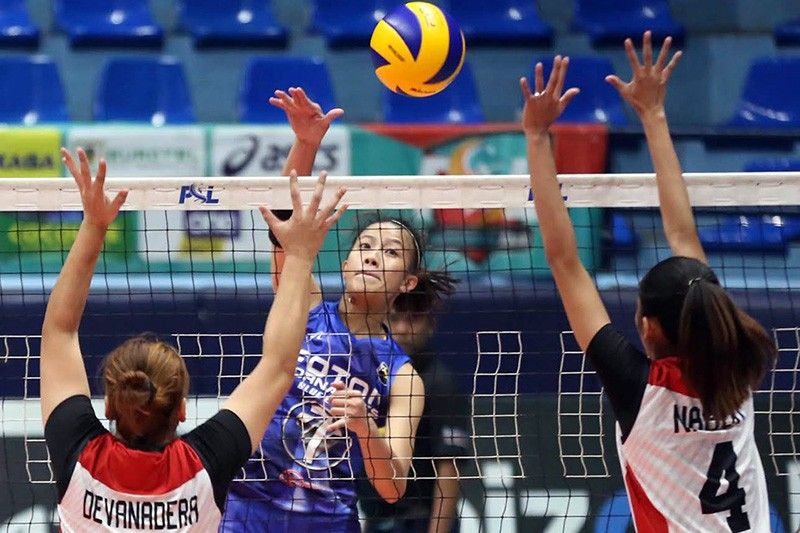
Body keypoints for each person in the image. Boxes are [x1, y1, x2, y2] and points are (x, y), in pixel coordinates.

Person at [521, 32, 776, 532]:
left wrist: (534, 137)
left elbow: (565, 260)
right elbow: (677, 238)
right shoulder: (737, 369)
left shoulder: (644, 392)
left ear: (648, 326)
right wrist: (655, 116)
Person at [41, 147, 347, 531]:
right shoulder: (204, 463)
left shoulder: (78, 452)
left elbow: (59, 329)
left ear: (112, 405)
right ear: (182, 409)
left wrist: (93, 226)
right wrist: (300, 256)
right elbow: (279, 366)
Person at [222, 87, 458, 532]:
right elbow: (285, 229)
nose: (371, 256)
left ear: (407, 282)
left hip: (328, 523)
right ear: (345, 262)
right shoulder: (306, 305)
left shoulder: (404, 375)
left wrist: (367, 429)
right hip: (246, 513)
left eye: (389, 252)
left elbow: (393, 487)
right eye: (364, 247)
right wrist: (307, 143)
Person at [360, 311, 470, 533]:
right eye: (395, 319)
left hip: (419, 522)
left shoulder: (441, 384)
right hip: (377, 521)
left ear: (430, 324)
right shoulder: (372, 376)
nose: (402, 328)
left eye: (413, 319)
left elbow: (450, 468)